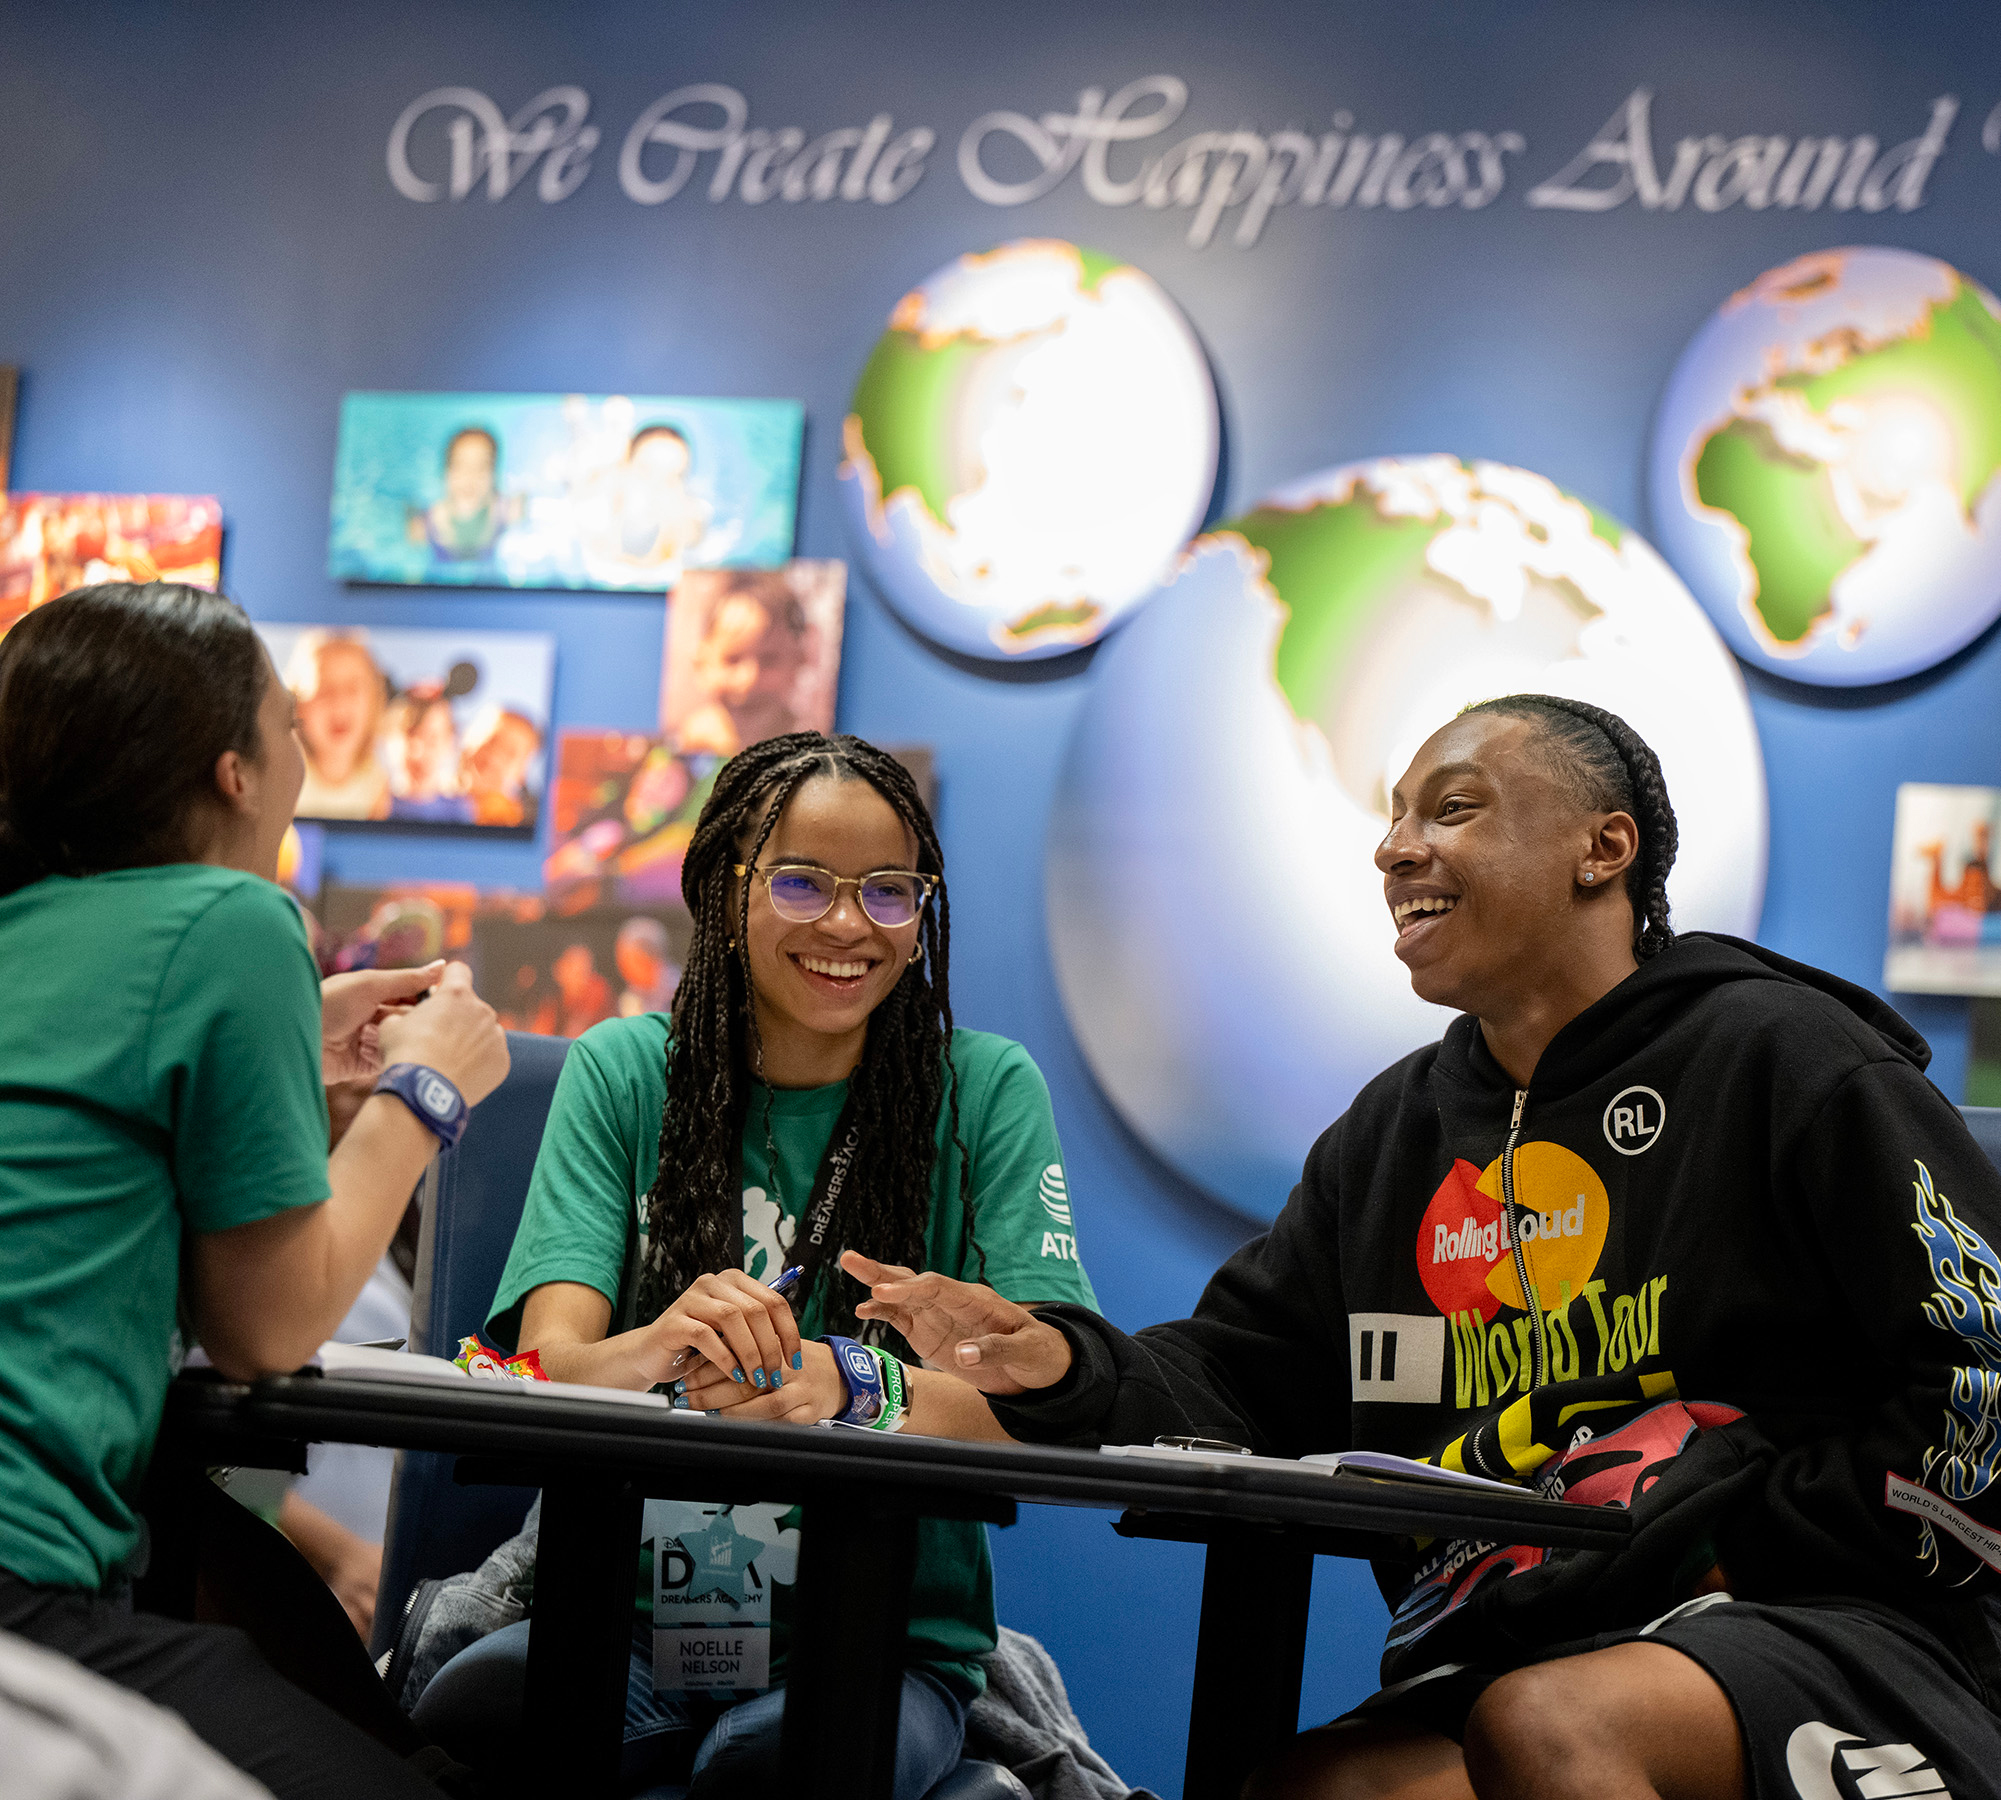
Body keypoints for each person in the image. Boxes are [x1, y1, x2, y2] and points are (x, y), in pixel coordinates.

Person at [846, 693, 2001, 1800]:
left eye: (1451, 809)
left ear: (1603, 848)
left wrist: (1743, 1542)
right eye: (1393, 818)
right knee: (1313, 1787)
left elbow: (1980, 1372)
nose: (1395, 849)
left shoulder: (1788, 1056)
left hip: (1833, 1618)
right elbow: (1243, 1375)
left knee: (1551, 1726)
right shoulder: (1393, 1129)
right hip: (1538, 1637)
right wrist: (1060, 1361)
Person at [411, 730, 1100, 1799]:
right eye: (801, 881)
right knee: (474, 1714)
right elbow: (545, 1372)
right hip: (618, 1615)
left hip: (880, 1633)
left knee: (772, 1764)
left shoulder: (987, 1091)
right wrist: (658, 1349)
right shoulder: (626, 1070)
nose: (847, 925)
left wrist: (853, 1383)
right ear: (723, 890)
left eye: (888, 892)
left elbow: (1053, 1401)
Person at [0, 580, 512, 1798]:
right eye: (290, 723)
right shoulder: (232, 919)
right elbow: (266, 1327)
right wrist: (426, 1091)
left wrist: (289, 1033)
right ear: (236, 772)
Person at [672, 572, 814, 757]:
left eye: (769, 660)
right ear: (700, 664)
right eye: (732, 659)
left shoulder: (808, 740)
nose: (749, 679)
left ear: (798, 662)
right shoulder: (688, 741)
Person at [285, 632, 390, 820]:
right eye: (324, 689)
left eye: (353, 688)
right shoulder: (283, 778)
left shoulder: (377, 782)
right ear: (297, 706)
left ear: (373, 704)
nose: (339, 702)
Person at [408, 426, 513, 564]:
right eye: (460, 465)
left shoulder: (508, 513)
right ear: (446, 472)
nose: (470, 476)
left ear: (493, 474)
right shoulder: (421, 526)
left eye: (481, 466)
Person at [384, 685, 474, 824]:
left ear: (449, 742)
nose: (419, 752)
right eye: (410, 734)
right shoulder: (377, 806)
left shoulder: (458, 812)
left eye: (432, 739)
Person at [460, 704, 542, 827]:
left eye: (510, 753)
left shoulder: (520, 826)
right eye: (491, 740)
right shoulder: (432, 798)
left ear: (522, 773)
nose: (495, 757)